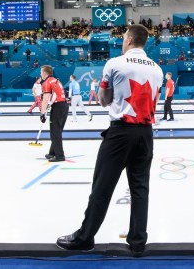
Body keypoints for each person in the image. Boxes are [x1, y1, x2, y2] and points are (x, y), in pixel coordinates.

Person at [56, 24, 163, 257]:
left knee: (102, 186)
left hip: (120, 133)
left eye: (124, 37)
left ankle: (85, 238)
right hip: (146, 133)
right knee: (140, 188)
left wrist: (114, 95)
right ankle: (137, 241)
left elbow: (104, 100)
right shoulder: (157, 69)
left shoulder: (115, 63)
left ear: (130, 40)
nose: (123, 41)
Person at [40, 65, 68, 162]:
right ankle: (52, 152)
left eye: (41, 72)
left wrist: (42, 114)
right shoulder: (56, 80)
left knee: (55, 132)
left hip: (58, 107)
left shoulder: (46, 82)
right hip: (64, 106)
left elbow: (45, 99)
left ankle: (60, 155)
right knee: (57, 131)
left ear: (44, 73)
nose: (40, 74)